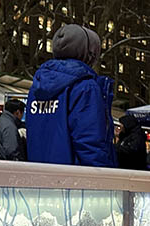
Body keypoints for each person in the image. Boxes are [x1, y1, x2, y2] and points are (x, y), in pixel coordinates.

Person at [26, 24, 115, 167]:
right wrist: (103, 181)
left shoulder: (37, 87)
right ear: (89, 53)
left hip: (40, 177)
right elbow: (90, 143)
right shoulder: (85, 87)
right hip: (75, 181)